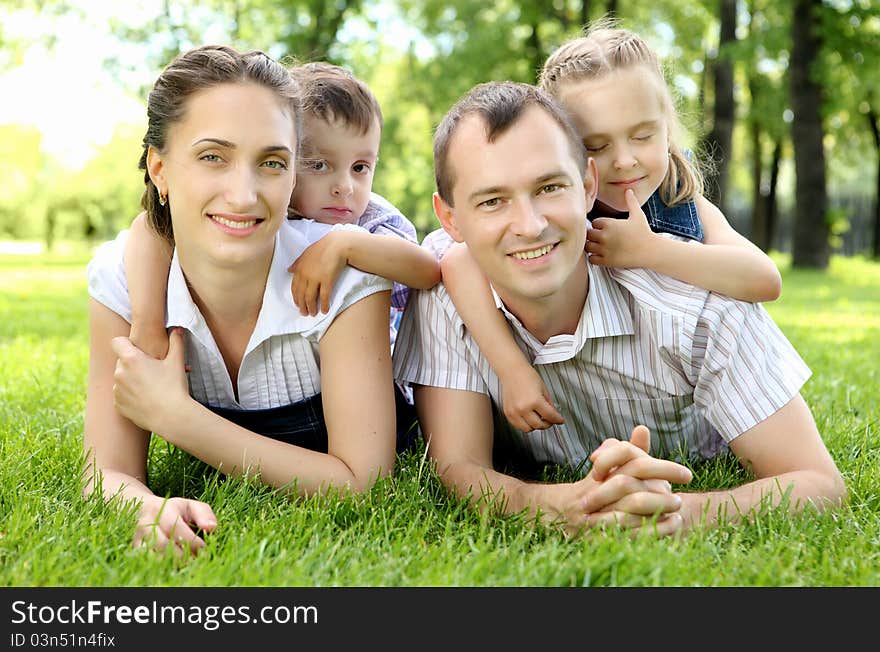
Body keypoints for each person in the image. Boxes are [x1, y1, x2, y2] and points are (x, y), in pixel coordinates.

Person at [392, 80, 846, 537]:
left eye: (550, 187)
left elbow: (818, 483)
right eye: (493, 201)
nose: (529, 226)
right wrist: (558, 504)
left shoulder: (700, 308)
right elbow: (458, 468)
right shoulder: (444, 293)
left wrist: (676, 513)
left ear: (589, 185)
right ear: (449, 219)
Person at [84, 45, 399, 556]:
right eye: (213, 157)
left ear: (294, 173)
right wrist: (143, 504)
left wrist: (178, 418)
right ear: (160, 169)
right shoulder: (124, 284)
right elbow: (106, 471)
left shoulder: (348, 279)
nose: (244, 194)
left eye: (272, 163)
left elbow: (364, 485)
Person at [439, 23, 783, 433]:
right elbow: (457, 261)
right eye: (597, 146)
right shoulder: (549, 211)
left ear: (666, 131)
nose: (624, 161)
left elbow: (764, 280)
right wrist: (511, 369)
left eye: (642, 136)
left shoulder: (677, 196)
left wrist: (650, 250)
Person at [123, 60, 440, 420]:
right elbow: (150, 228)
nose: (344, 187)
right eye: (319, 165)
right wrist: (148, 324)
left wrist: (345, 243)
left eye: (360, 167)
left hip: (382, 388)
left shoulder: (370, 219)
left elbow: (427, 270)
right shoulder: (259, 208)